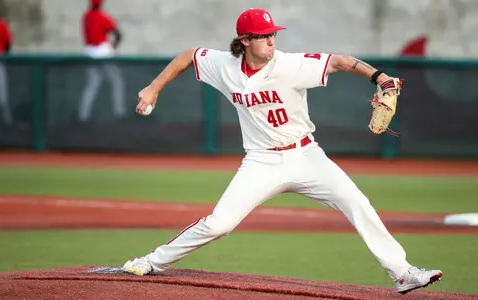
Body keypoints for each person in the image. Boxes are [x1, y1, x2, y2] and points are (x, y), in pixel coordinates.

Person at [123, 8, 442, 294]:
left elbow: (340, 62)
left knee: (356, 202)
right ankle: (152, 261)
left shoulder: (291, 65)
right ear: (245, 40)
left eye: (273, 34)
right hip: (261, 161)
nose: (271, 41)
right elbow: (189, 56)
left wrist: (381, 77)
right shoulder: (225, 66)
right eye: (263, 36)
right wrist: (154, 88)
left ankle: (403, 273)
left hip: (306, 156)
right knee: (219, 224)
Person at [78, 0, 125, 123]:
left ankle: (83, 115)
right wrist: (113, 47)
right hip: (104, 53)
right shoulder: (102, 17)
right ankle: (119, 113)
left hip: (89, 53)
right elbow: (118, 35)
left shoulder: (86, 17)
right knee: (116, 82)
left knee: (92, 85)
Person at [0, 16, 12, 125]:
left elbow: (7, 44)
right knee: (1, 97)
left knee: (2, 98)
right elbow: (8, 46)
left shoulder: (0, 25)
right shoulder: (0, 24)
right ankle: (6, 123)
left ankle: (6, 123)